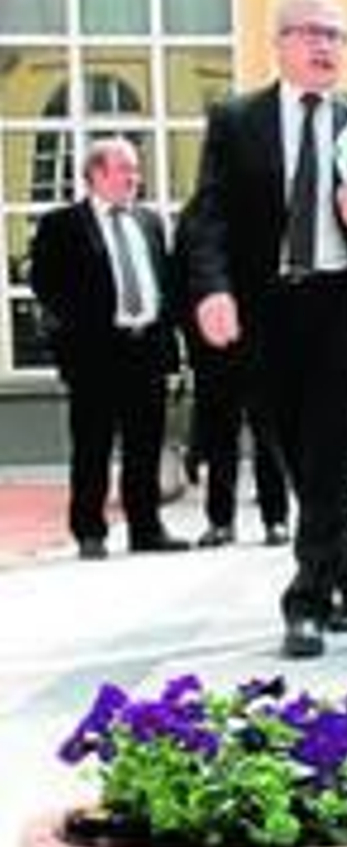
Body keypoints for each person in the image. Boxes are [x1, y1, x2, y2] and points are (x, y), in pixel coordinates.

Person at [185, 0, 347, 658]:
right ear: (280, 42)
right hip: (267, 310)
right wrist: (212, 290)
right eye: (312, 33)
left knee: (333, 459)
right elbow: (208, 218)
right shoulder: (236, 120)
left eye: (338, 35)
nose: (325, 46)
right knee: (298, 459)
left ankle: (305, 602)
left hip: (340, 306)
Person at [30, 136, 190, 560]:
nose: (134, 178)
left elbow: (165, 284)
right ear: (96, 174)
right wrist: (73, 338)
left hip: (146, 351)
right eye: (125, 169)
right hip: (95, 356)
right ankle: (90, 531)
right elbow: (46, 285)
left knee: (144, 445)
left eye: (136, 169)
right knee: (93, 447)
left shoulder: (149, 222)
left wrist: (171, 347)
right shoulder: (63, 225)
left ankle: (146, 529)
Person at [175, 198, 291, 549]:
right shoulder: (197, 213)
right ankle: (220, 521)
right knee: (219, 437)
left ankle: (277, 519)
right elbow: (182, 280)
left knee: (268, 435)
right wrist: (195, 340)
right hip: (214, 346)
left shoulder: (267, 205)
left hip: (263, 340)